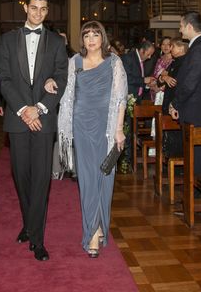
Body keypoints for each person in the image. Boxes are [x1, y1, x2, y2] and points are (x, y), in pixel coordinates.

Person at [0, 0, 68, 261]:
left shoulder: (56, 42)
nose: (39, 13)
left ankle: (37, 238)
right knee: (21, 176)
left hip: (44, 118)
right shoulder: (7, 40)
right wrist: (23, 109)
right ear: (25, 8)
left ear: (47, 11)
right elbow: (3, 78)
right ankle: (29, 223)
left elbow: (61, 78)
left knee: (41, 179)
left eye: (44, 9)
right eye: (34, 8)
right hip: (17, 119)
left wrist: (38, 108)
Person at [57, 21, 127, 258]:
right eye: (87, 35)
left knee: (104, 179)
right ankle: (93, 233)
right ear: (82, 40)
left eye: (96, 34)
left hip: (106, 129)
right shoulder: (74, 62)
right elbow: (67, 96)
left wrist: (119, 129)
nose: (91, 39)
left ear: (103, 38)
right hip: (82, 126)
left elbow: (120, 98)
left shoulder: (114, 62)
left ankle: (98, 228)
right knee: (87, 181)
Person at [169, 12, 201, 176]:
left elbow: (190, 82)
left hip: (194, 109)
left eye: (181, 26)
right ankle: (193, 189)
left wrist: (176, 102)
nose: (180, 31)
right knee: (193, 152)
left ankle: (198, 190)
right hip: (192, 108)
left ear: (189, 26)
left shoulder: (200, 48)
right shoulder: (197, 46)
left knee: (197, 153)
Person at [147, 36, 173, 104]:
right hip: (154, 91)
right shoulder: (158, 59)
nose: (165, 46)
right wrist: (150, 84)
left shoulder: (174, 60)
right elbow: (154, 74)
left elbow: (173, 78)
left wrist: (159, 88)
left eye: (168, 44)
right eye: (163, 44)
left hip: (166, 93)